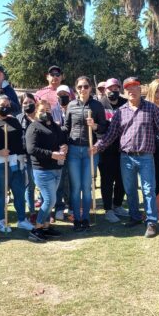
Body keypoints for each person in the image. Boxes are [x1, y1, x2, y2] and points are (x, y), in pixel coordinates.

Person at [92, 77, 159, 238]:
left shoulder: (151, 109)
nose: (131, 91)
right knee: (130, 190)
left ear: (140, 89)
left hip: (145, 157)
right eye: (128, 88)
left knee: (148, 190)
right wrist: (97, 147)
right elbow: (111, 134)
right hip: (126, 157)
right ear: (125, 92)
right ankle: (135, 216)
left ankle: (151, 222)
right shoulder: (121, 112)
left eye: (135, 87)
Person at [0, 95, 34, 233]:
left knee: (19, 192)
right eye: (2, 105)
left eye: (8, 105)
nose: (6, 108)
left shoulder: (14, 121)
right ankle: (1, 220)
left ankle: (22, 220)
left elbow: (20, 140)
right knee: (0, 193)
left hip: (15, 163)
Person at [64, 75, 108, 231]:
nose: (83, 89)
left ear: (90, 88)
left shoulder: (97, 106)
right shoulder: (71, 106)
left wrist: (94, 125)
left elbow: (104, 127)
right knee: (76, 187)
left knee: (87, 186)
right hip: (74, 150)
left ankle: (86, 218)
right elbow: (66, 128)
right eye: (80, 87)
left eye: (86, 86)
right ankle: (77, 218)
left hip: (91, 150)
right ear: (76, 89)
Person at [25, 99, 68, 243]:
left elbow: (62, 140)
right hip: (42, 170)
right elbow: (31, 149)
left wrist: (64, 147)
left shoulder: (55, 127)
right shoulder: (34, 127)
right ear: (36, 112)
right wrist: (51, 154)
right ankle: (36, 228)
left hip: (57, 168)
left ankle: (46, 227)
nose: (45, 113)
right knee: (50, 200)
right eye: (42, 111)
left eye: (48, 110)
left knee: (50, 200)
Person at [99, 78, 128, 222]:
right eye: (110, 89)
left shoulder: (125, 103)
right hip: (105, 148)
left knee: (122, 178)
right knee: (107, 180)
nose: (113, 91)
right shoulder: (100, 104)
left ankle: (117, 205)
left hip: (123, 147)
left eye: (116, 89)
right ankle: (108, 209)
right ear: (105, 90)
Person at [51, 84, 72, 220]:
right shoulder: (53, 111)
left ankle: (71, 206)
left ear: (70, 96)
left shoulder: (74, 108)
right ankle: (59, 207)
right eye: (60, 95)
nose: (62, 97)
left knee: (71, 180)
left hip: (73, 148)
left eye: (65, 94)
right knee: (59, 179)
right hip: (59, 149)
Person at [17, 93, 38, 220]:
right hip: (25, 157)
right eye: (25, 103)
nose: (28, 105)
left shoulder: (40, 117)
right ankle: (31, 211)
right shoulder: (18, 118)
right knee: (29, 185)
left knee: (40, 184)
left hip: (40, 156)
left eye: (30, 102)